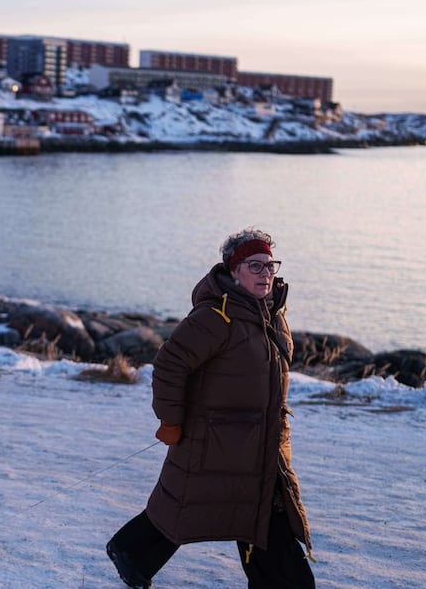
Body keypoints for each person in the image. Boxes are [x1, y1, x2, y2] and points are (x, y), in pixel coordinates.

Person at [106, 228, 315, 588]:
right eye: (255, 265)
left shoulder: (273, 316)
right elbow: (169, 365)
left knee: (248, 518)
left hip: (263, 446)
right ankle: (131, 551)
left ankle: (132, 551)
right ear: (234, 271)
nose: (267, 273)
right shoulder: (216, 317)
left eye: (270, 265)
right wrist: (171, 420)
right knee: (190, 506)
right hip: (217, 443)